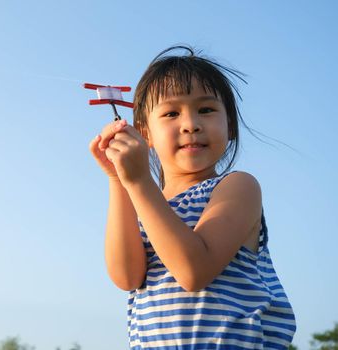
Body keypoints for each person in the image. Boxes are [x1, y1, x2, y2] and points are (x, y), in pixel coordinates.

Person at [89, 46, 296, 349]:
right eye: (172, 113)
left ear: (231, 127)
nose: (191, 124)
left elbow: (194, 271)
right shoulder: (144, 199)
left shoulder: (238, 187)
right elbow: (127, 277)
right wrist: (119, 180)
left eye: (206, 110)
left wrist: (140, 182)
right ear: (145, 134)